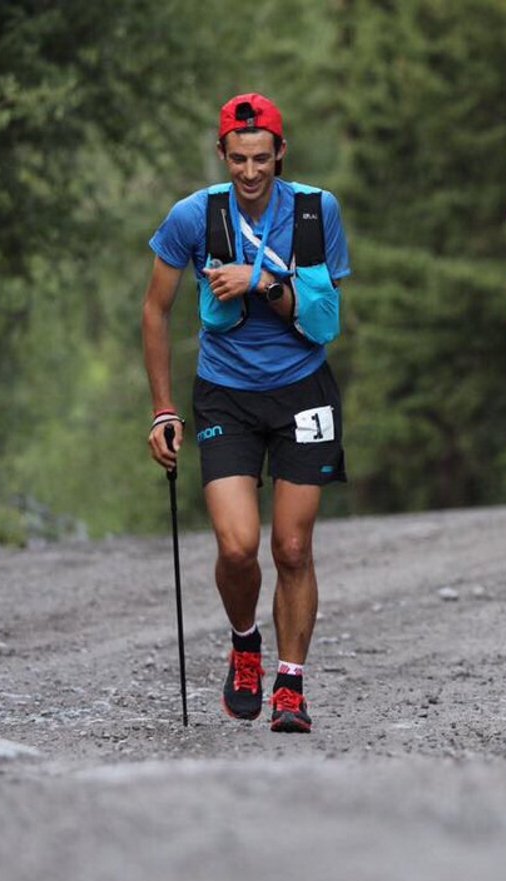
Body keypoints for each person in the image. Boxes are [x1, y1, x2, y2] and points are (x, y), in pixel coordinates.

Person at [142, 92, 350, 734]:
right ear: (222, 154)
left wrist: (259, 282)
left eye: (262, 158)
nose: (251, 172)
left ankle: (291, 685)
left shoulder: (317, 213)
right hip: (224, 394)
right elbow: (155, 312)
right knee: (236, 547)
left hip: (303, 390)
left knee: (291, 546)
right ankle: (244, 642)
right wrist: (162, 409)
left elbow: (325, 320)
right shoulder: (192, 217)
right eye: (238, 159)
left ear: (281, 152)